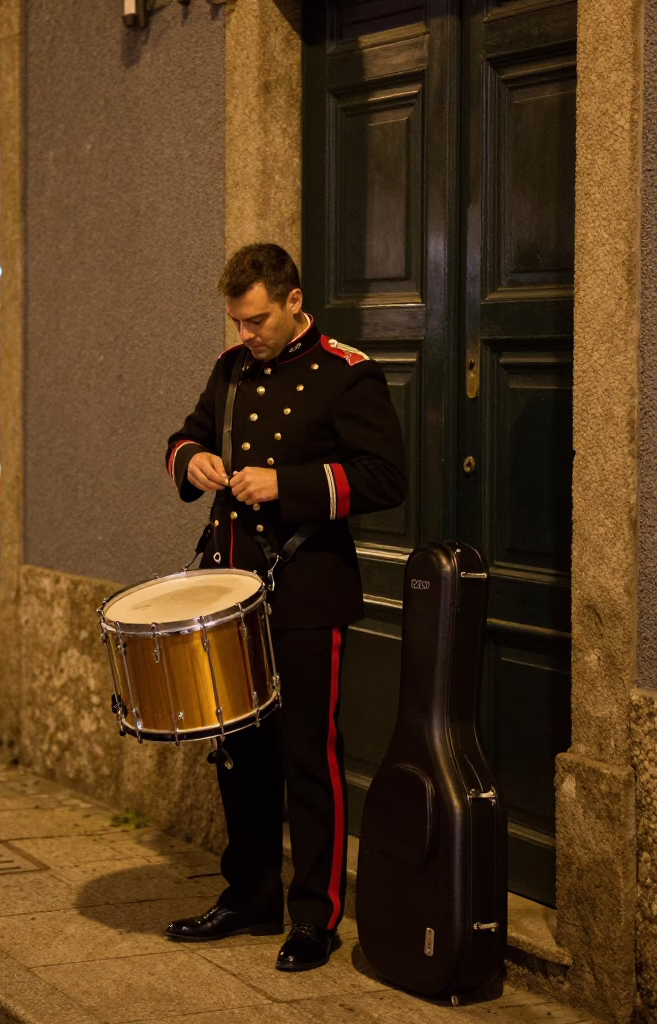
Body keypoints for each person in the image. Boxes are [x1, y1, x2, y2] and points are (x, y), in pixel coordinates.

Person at [163, 243, 406, 971]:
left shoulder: (347, 373)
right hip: (231, 590)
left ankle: (316, 915)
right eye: (239, 322)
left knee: (308, 755)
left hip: (305, 590)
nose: (248, 334)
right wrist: (192, 463)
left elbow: (386, 477)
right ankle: (249, 896)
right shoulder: (229, 371)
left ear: (294, 299)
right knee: (240, 754)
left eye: (259, 319)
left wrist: (286, 484)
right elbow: (187, 436)